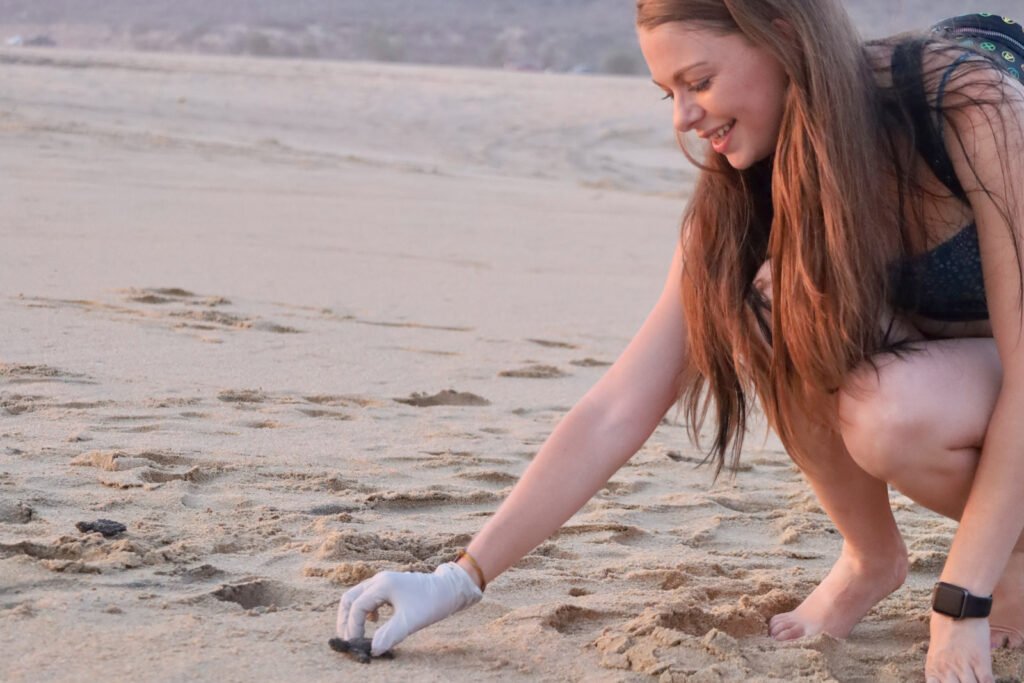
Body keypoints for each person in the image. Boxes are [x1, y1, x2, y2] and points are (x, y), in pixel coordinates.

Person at [338, 2, 1024, 680]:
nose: (683, 118)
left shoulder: (967, 104)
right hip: (961, 385)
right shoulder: (748, 190)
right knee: (774, 304)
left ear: (783, 38)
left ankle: (1011, 564)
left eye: (700, 82)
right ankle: (870, 558)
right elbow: (619, 406)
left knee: (898, 413)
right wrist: (459, 577)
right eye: (669, 93)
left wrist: (960, 600)